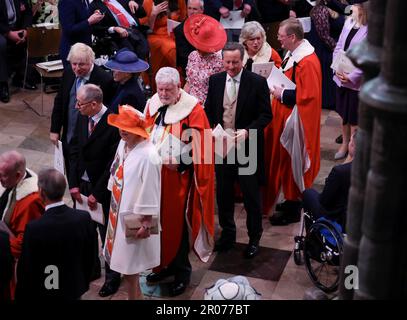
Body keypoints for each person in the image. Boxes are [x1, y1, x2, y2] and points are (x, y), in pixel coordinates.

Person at [144, 67, 214, 297]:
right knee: (156, 222)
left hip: (177, 179)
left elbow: (202, 144)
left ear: (178, 87)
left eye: (168, 89)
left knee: (176, 225)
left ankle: (182, 272)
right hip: (154, 175)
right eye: (160, 89)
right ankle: (163, 266)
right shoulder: (153, 102)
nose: (163, 94)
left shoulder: (192, 109)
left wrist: (181, 163)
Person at [205, 42, 272, 258]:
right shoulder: (215, 81)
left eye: (235, 62)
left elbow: (265, 115)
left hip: (247, 147)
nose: (231, 66)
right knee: (223, 194)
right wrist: (213, 131)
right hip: (222, 147)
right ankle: (228, 235)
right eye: (227, 62)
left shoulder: (257, 82)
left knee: (251, 196)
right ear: (222, 61)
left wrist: (247, 132)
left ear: (242, 60)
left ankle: (254, 238)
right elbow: (209, 110)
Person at [267, 18, 322, 226]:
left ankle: (294, 205)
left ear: (292, 37)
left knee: (294, 161)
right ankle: (290, 199)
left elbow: (308, 95)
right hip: (288, 116)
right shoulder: (294, 54)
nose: (279, 41)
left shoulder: (307, 61)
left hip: (298, 121)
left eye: (281, 37)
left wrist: (282, 94)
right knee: (286, 160)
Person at [68, 84, 121, 297]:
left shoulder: (112, 123)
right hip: (81, 185)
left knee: (107, 234)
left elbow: (113, 164)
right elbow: (74, 149)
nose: (76, 106)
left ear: (94, 104)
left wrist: (97, 194)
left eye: (79, 103)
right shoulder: (83, 115)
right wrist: (72, 183)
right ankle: (90, 270)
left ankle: (112, 277)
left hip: (102, 188)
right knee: (84, 230)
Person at [104, 105, 161, 300]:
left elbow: (151, 191)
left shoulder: (149, 155)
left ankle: (134, 298)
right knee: (127, 267)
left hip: (134, 215)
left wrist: (146, 222)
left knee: (130, 266)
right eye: (121, 127)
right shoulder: (124, 144)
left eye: (127, 129)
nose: (122, 132)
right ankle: (135, 298)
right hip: (118, 207)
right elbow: (117, 166)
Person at [15, 168, 97, 300]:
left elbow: (27, 269)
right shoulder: (83, 218)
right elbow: (90, 256)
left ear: (41, 192)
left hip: (49, 287)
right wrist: (82, 281)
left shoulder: (34, 228)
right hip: (74, 285)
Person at [50, 43, 115, 177]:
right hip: (68, 135)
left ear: (91, 61)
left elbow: (106, 114)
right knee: (71, 172)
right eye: (74, 64)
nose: (77, 68)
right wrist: (55, 129)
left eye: (82, 64)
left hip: (89, 140)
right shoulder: (68, 72)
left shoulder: (104, 79)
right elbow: (60, 101)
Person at [0, 151, 44, 298]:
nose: (0, 179)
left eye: (3, 175)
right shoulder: (15, 181)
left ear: (18, 175)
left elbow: (23, 243)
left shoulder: (30, 201)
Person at [333, 2, 367, 160]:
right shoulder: (349, 21)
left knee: (354, 118)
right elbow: (339, 45)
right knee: (343, 115)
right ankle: (344, 143)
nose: (351, 7)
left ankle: (352, 152)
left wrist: (352, 76)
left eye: (356, 5)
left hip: (356, 81)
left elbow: (367, 57)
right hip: (341, 74)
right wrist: (336, 67)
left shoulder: (371, 28)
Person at [302, 130, 357, 229]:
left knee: (308, 193)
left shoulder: (340, 171)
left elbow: (324, 200)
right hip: (360, 218)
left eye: (350, 141)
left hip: (339, 219)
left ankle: (313, 236)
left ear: (353, 147)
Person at [139, 0, 187, 92]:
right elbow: (147, 29)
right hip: (156, 35)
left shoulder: (179, 1)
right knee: (172, 48)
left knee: (185, 45)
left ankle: (183, 84)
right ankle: (164, 86)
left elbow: (183, 19)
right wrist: (154, 13)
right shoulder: (148, 2)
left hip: (176, 33)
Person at [308, 0, 345, 110]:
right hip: (325, 49)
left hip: (335, 46)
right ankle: (328, 102)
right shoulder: (320, 9)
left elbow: (351, 11)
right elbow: (324, 36)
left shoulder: (340, 7)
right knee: (328, 76)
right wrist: (337, 50)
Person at [183, 13, 226, 104]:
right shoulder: (192, 55)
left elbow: (221, 90)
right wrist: (181, 101)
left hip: (209, 105)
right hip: (190, 103)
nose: (199, 48)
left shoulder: (220, 61)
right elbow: (189, 83)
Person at [0, 0, 36, 103]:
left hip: (16, 27)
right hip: (2, 30)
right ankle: (2, 84)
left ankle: (22, 77)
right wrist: (8, 33)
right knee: (1, 44)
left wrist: (25, 29)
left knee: (34, 37)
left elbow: (28, 12)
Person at [58, 0, 105, 66]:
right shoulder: (66, 2)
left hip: (86, 48)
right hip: (72, 51)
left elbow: (82, 17)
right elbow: (68, 29)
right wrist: (89, 21)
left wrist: (94, 15)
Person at [104, 48, 149, 113]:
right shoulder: (122, 84)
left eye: (117, 68)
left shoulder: (130, 96)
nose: (113, 70)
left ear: (127, 73)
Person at [174, 0, 204, 77]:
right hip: (191, 66)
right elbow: (183, 56)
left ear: (202, 10)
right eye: (189, 8)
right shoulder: (180, 30)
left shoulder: (208, 25)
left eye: (194, 9)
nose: (191, 11)